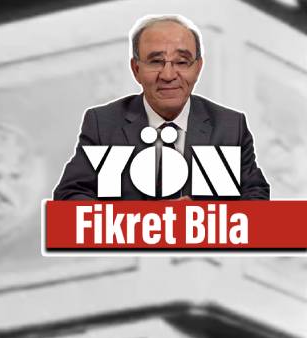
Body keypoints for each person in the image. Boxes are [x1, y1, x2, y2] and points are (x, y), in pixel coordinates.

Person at [53, 14, 270, 200]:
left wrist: (204, 218)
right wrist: (148, 220)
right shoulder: (103, 124)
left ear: (198, 68)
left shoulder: (230, 127)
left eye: (182, 62)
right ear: (136, 69)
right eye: (156, 62)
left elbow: (256, 196)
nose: (168, 75)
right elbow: (70, 197)